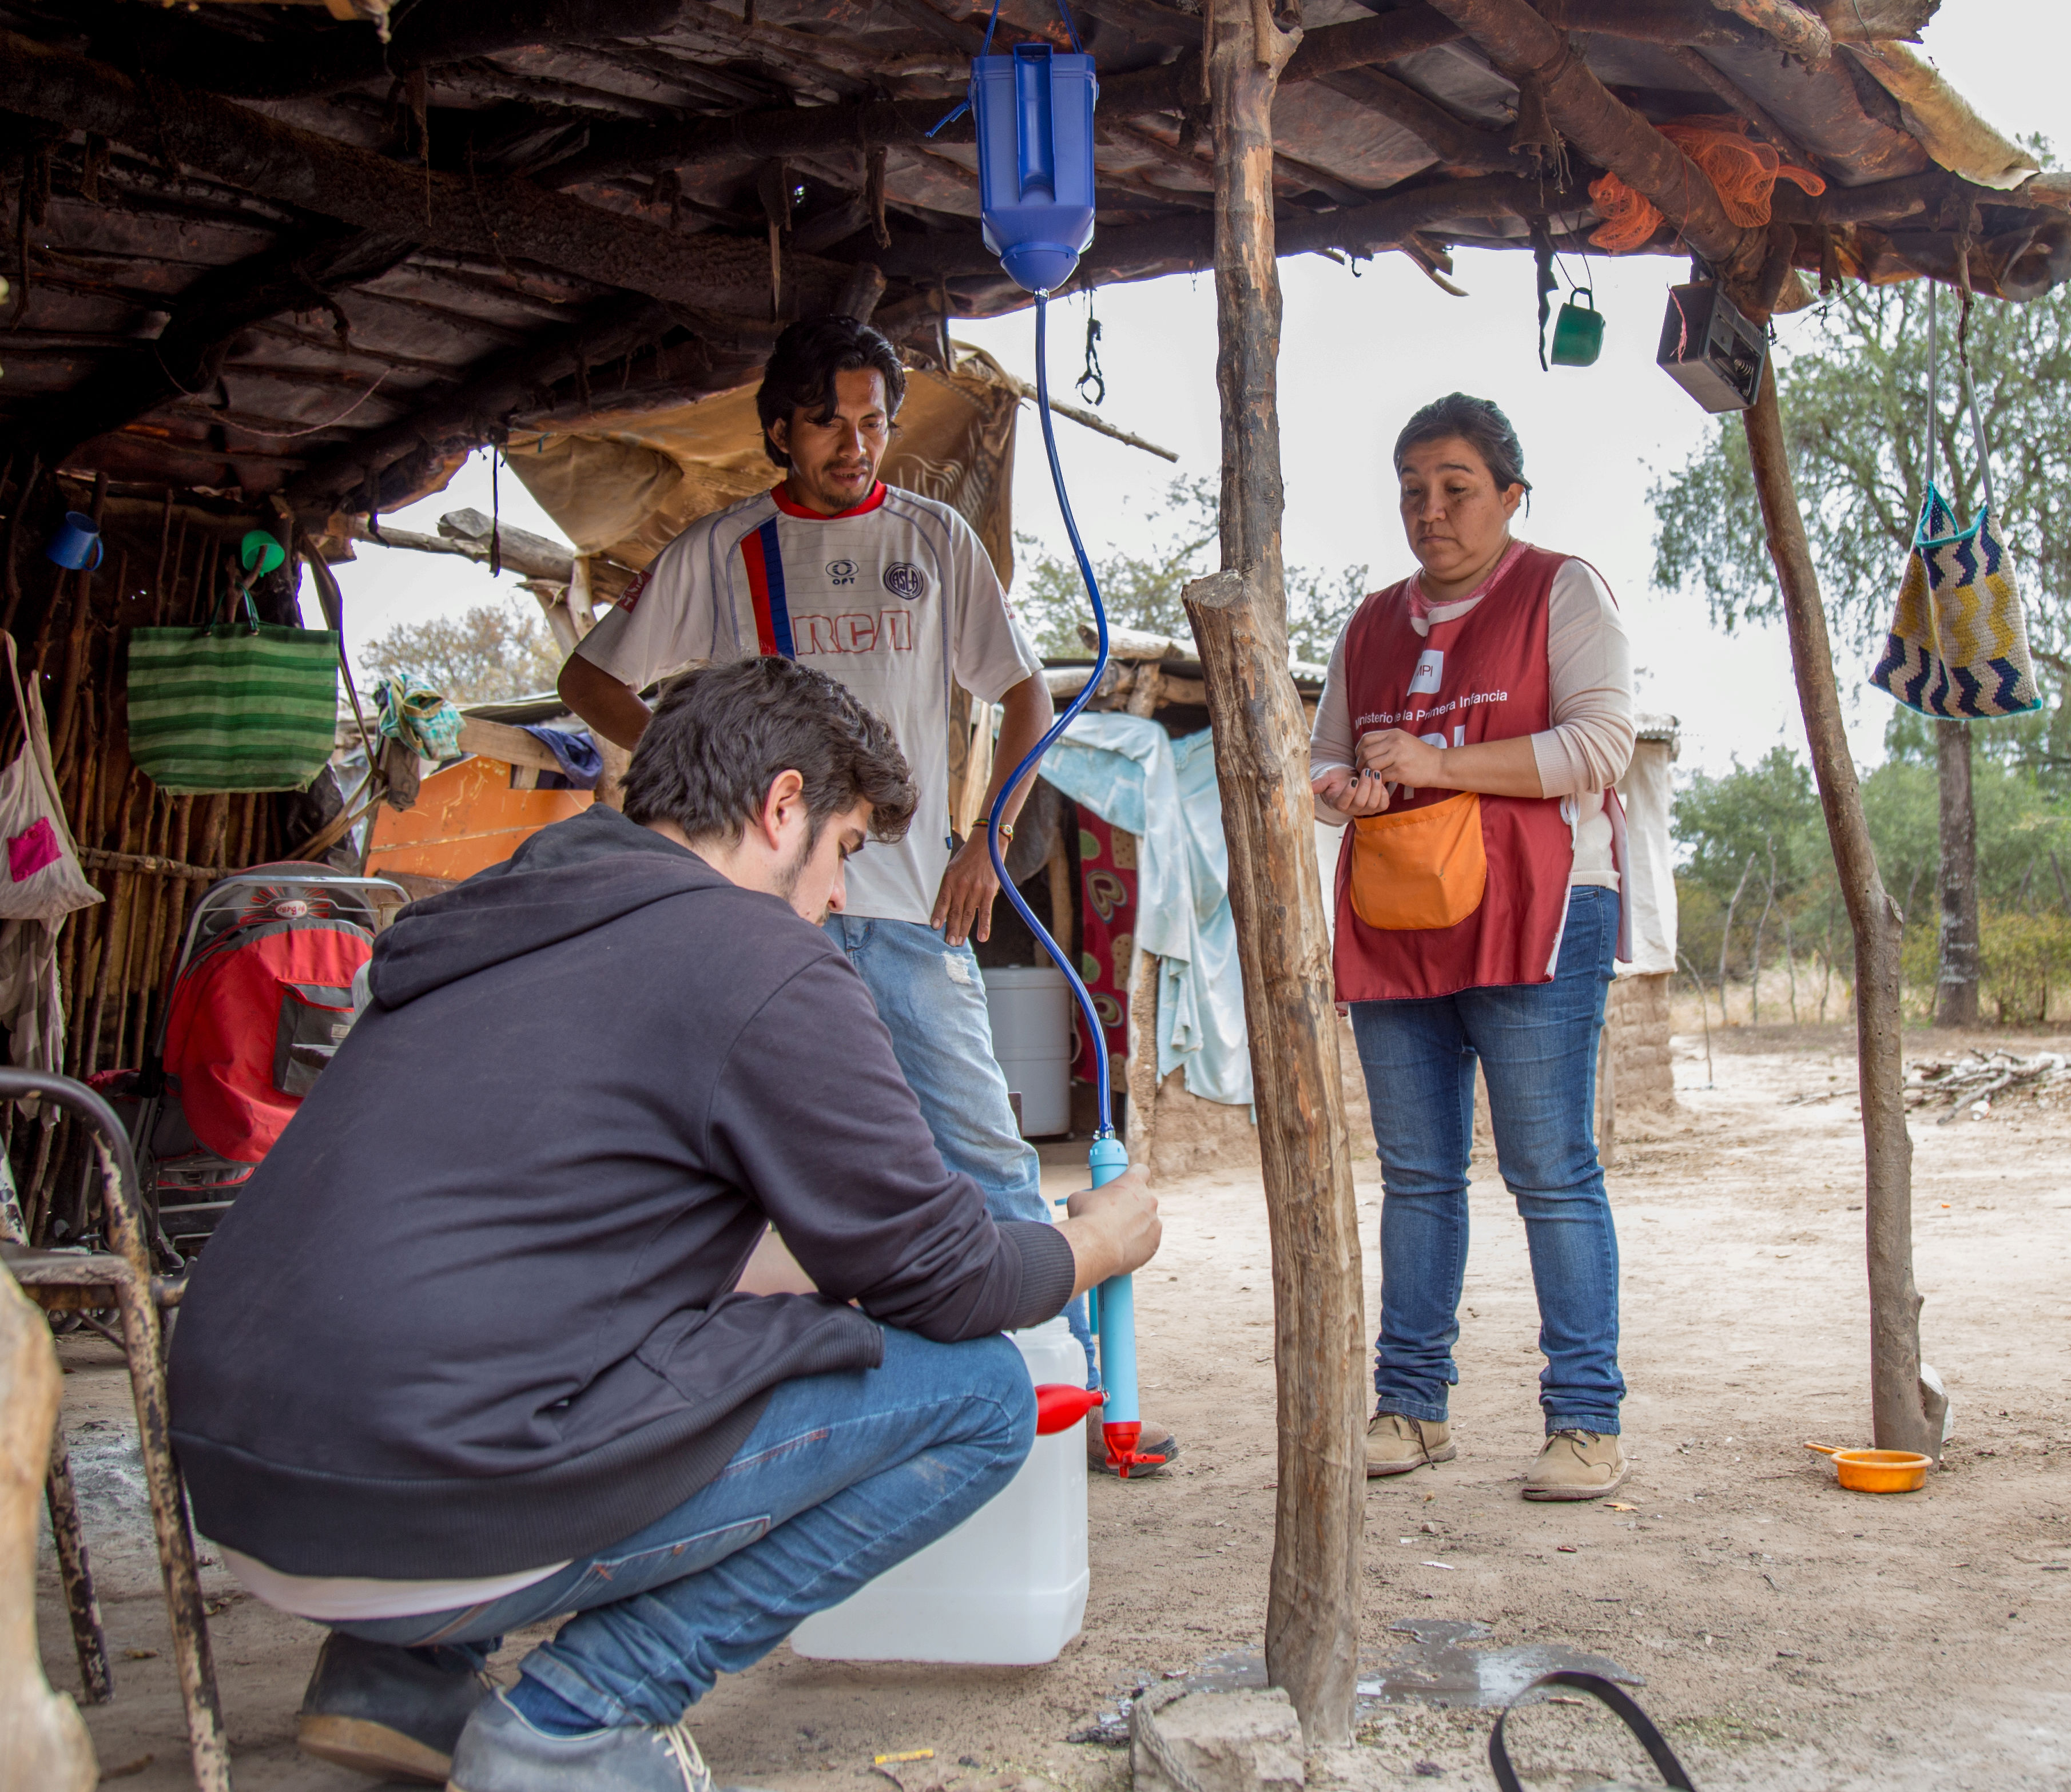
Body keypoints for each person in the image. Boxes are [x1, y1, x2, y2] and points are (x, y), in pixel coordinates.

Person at [169, 659, 1162, 1792]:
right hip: (421, 1503)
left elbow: (559, 1237)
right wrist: (1098, 1240)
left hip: (245, 1483)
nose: (840, 893)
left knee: (509, 1331)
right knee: (978, 1397)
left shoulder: (492, 919)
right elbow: (950, 1280)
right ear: (780, 806)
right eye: (843, 847)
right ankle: (584, 1718)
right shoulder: (761, 961)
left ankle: (394, 1681)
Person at [555, 315, 1172, 1475]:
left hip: (908, 908)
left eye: (875, 420)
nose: (857, 442)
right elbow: (586, 677)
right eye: (831, 420)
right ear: (781, 427)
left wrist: (986, 836)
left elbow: (1025, 693)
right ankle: (734, 1420)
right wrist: (694, 760)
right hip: (763, 923)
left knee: (984, 1153)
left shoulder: (934, 540)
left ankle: (1069, 1392)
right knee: (748, 1176)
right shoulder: (727, 548)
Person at [1309, 394, 1636, 1502]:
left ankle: (1585, 1422)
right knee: (1414, 1174)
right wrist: (1346, 789)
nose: (1431, 510)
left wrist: (1439, 764)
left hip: (1540, 910)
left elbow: (1599, 746)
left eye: (1455, 487)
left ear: (1510, 495)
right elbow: (1317, 771)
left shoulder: (1562, 590)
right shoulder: (1368, 625)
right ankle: (1411, 1406)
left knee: (1549, 1171)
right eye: (1412, 490)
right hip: (1400, 914)